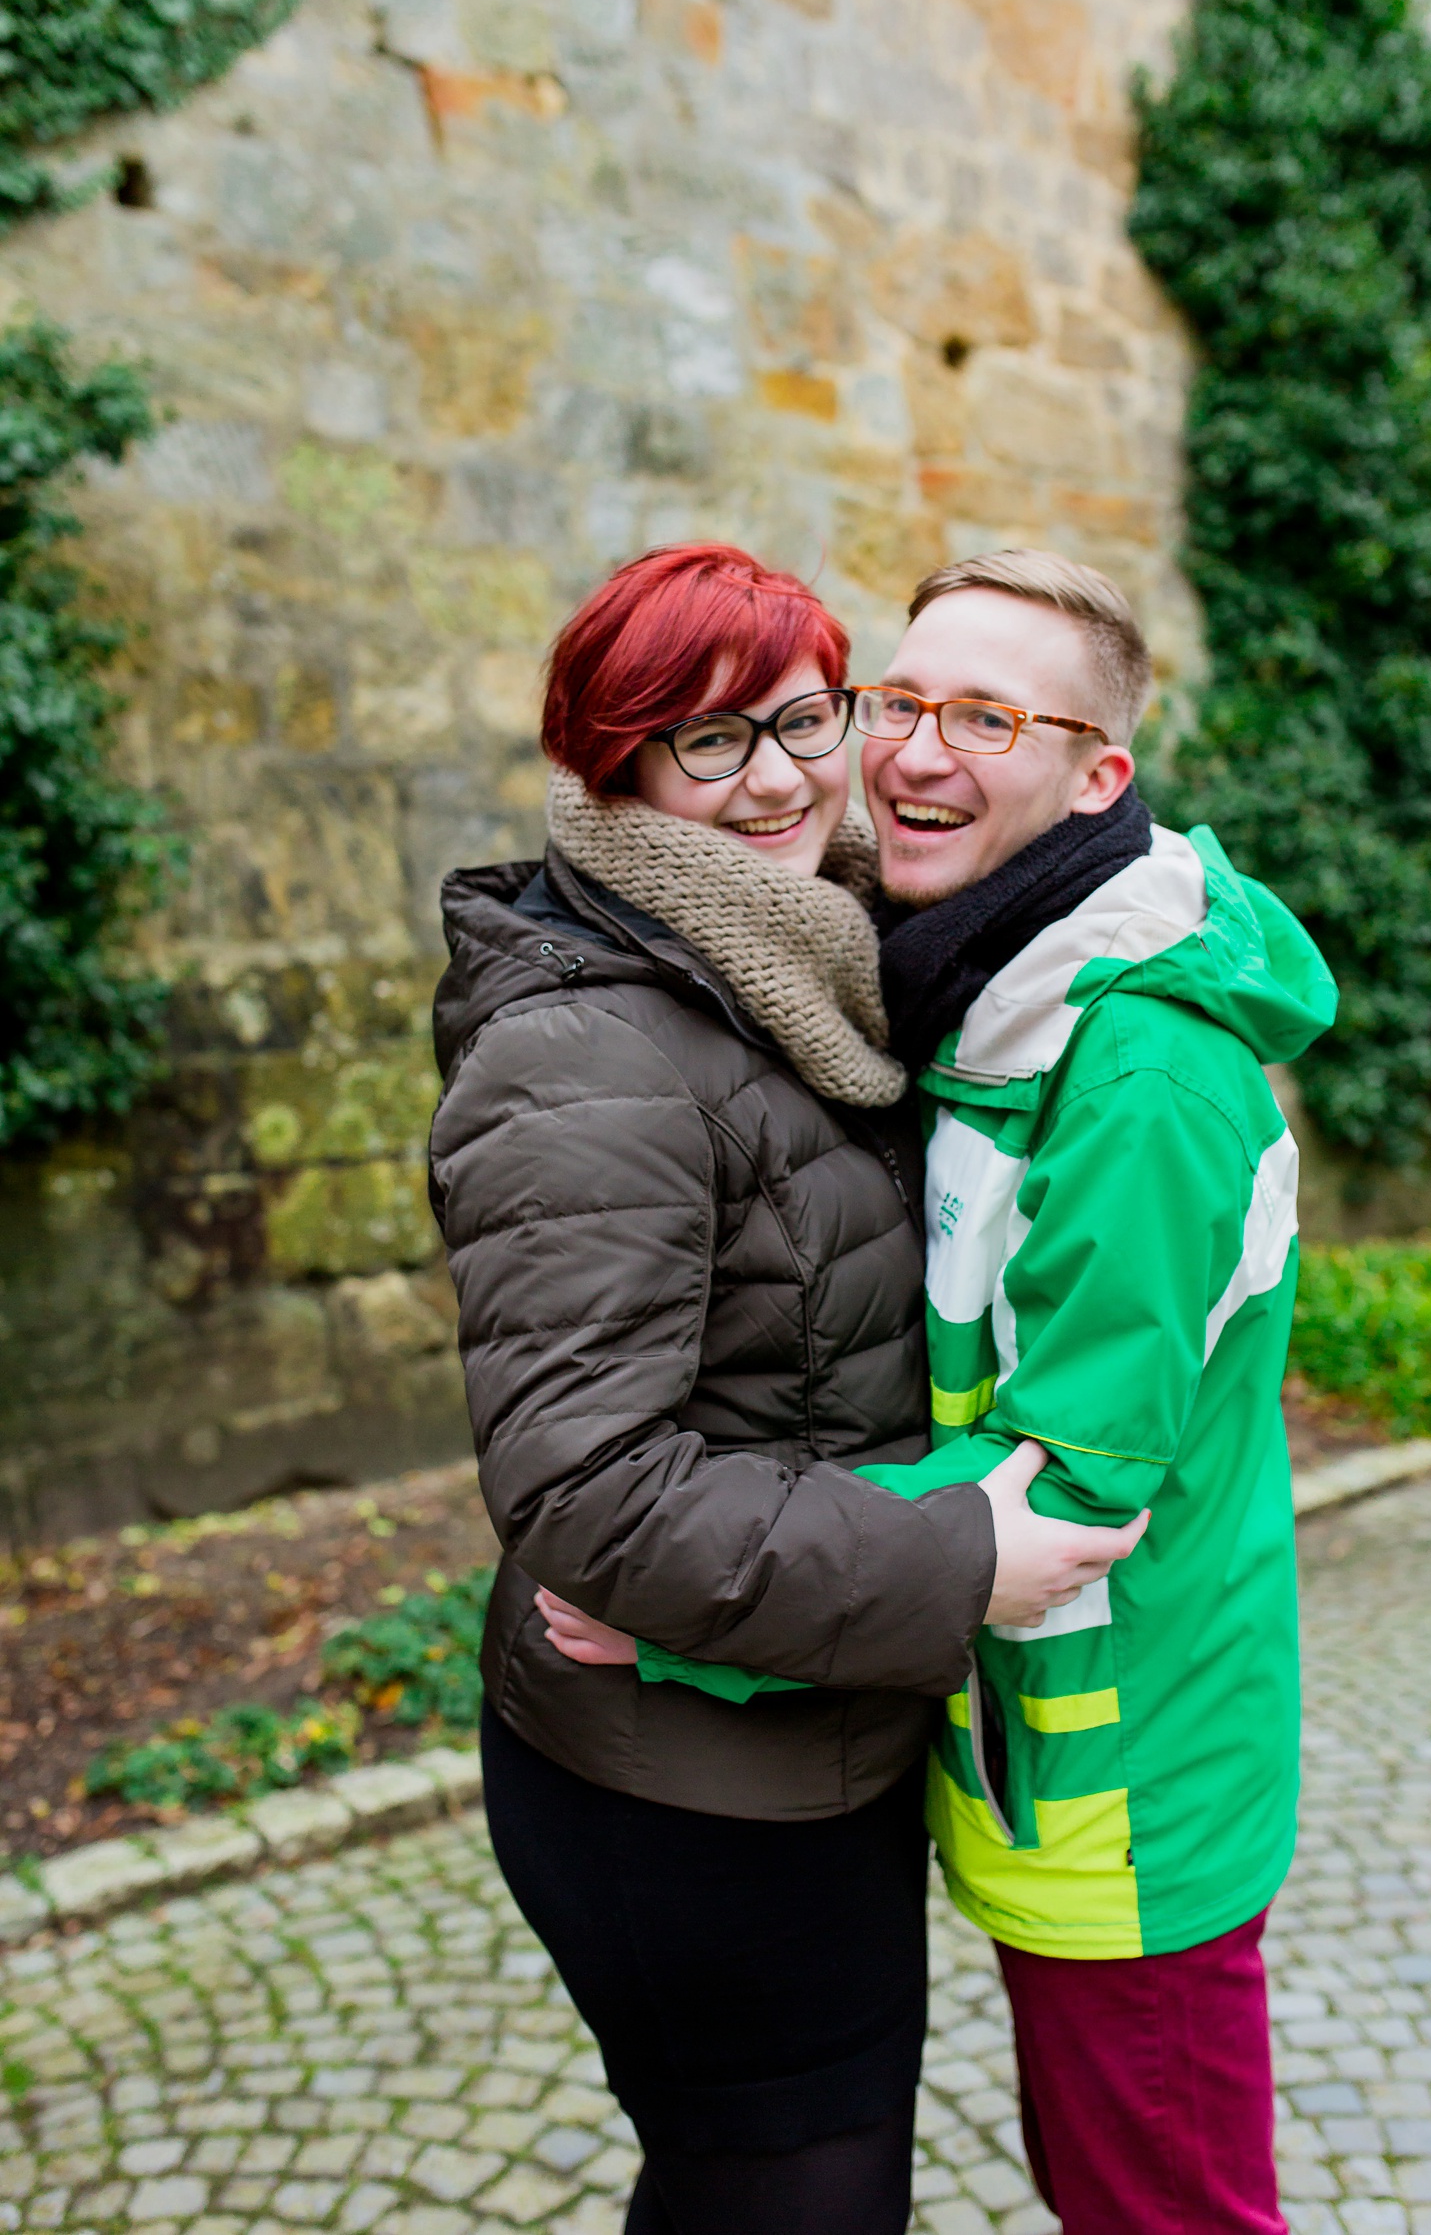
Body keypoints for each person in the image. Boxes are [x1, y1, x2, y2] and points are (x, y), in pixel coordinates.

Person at [563, 548, 1337, 2233]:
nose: (914, 751)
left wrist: (697, 1609)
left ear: (1096, 776)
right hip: (1028, 1764)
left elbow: (1075, 1492)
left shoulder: (1137, 1077)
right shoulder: (983, 1004)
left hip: (1130, 1791)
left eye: (988, 716)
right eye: (902, 700)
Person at [427, 542, 1143, 2235]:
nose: (782, 778)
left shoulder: (821, 959)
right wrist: (957, 1560)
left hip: (797, 1720)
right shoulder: (589, 1043)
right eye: (707, 740)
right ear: (614, 768)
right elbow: (587, 1492)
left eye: (806, 717)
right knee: (795, 2197)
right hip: (674, 1783)